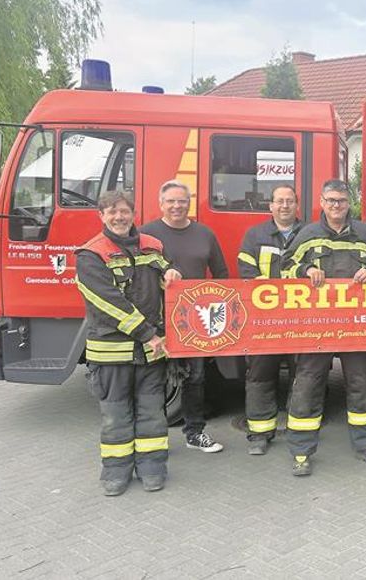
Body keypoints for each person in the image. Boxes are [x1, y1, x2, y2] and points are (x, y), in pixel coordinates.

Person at [76, 191, 180, 496]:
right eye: (111, 212)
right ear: (101, 216)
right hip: (113, 352)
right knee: (116, 416)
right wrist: (149, 334)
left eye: (123, 211)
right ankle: (116, 472)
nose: (118, 217)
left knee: (152, 414)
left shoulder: (153, 245)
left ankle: (152, 468)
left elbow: (165, 272)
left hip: (151, 352)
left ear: (133, 213)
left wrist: (173, 273)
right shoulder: (90, 254)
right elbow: (108, 304)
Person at [284, 179, 366, 476]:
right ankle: (301, 450)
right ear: (321, 201)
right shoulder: (308, 234)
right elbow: (285, 266)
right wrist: (306, 270)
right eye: (331, 201)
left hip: (358, 326)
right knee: (307, 385)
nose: (336, 206)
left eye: (341, 201)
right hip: (317, 326)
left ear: (350, 202)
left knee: (363, 384)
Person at [141, 180, 228, 453]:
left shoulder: (204, 234)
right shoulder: (146, 235)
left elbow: (222, 274)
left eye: (182, 201)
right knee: (152, 380)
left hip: (195, 321)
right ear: (161, 203)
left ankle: (195, 433)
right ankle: (150, 439)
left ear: (189, 203)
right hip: (156, 320)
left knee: (196, 379)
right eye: (171, 201)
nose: (176, 206)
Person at [236, 184, 303, 455]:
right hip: (264, 322)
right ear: (271, 206)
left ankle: (300, 431)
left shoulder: (309, 234)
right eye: (279, 201)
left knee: (302, 377)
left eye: (289, 201)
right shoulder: (255, 235)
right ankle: (260, 435)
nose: (284, 206)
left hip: (301, 322)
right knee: (260, 376)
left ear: (297, 206)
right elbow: (246, 272)